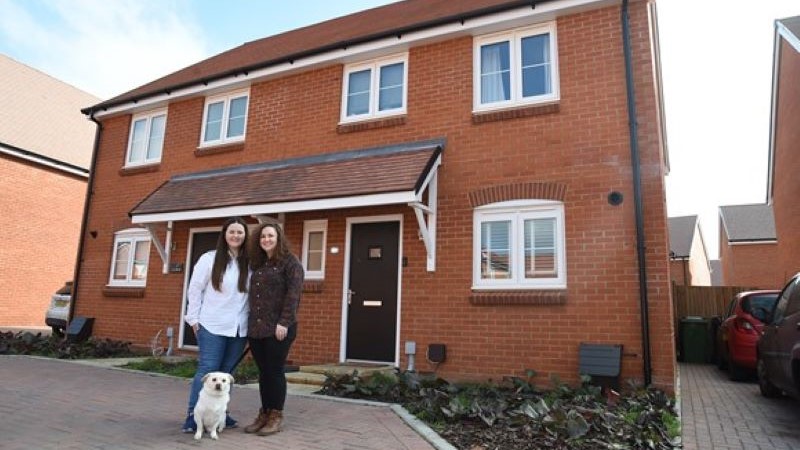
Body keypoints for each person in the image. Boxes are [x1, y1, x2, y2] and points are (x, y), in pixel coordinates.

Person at [181, 217, 250, 433]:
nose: (236, 235)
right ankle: (193, 416)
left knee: (227, 373)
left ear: (245, 235)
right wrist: (193, 318)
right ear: (224, 235)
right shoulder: (209, 259)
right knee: (208, 370)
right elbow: (194, 289)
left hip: (239, 327)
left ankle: (222, 415)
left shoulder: (250, 263)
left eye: (240, 232)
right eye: (232, 232)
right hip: (212, 324)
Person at [243, 219, 304, 436]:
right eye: (262, 237)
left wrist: (284, 322)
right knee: (264, 372)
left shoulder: (290, 263)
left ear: (278, 239)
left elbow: (293, 296)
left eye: (270, 236)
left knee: (275, 371)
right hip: (257, 328)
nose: (266, 239)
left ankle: (276, 415)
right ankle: (265, 413)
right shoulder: (257, 264)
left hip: (279, 328)